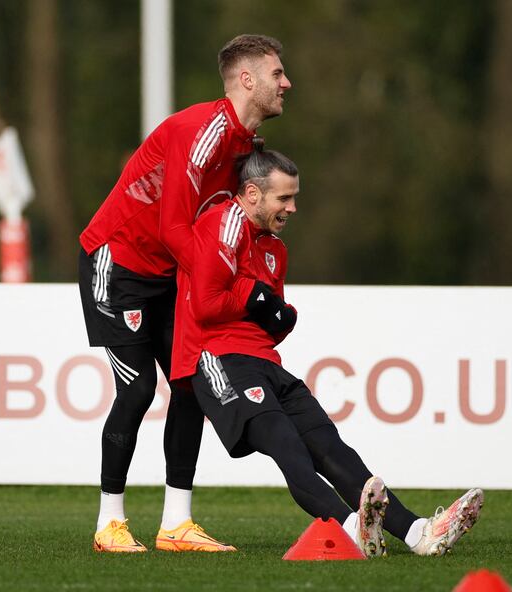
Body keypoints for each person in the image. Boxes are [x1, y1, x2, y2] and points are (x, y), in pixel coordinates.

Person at [170, 147, 484, 556]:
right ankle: (353, 527)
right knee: (288, 446)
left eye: (294, 196)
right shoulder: (224, 223)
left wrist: (279, 315)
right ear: (250, 194)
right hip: (218, 360)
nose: (293, 207)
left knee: (331, 447)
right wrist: (253, 295)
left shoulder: (274, 250)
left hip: (266, 363)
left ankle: (418, 532)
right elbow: (207, 305)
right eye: (284, 197)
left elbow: (270, 320)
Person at [78, 34, 292, 553]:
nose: (286, 83)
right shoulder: (202, 130)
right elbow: (175, 226)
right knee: (137, 391)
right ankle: (110, 524)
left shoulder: (248, 148)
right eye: (277, 73)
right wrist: (230, 284)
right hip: (118, 261)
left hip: (172, 274)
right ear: (247, 80)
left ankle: (176, 524)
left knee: (192, 383)